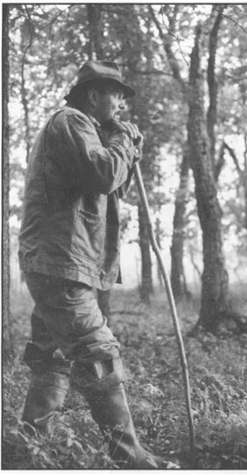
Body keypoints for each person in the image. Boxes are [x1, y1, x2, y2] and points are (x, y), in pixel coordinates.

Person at [18, 60, 172, 469]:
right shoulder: (71, 121)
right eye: (117, 94)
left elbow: (108, 181)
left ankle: (29, 447)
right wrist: (122, 142)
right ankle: (129, 454)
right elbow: (103, 174)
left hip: (61, 262)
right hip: (60, 264)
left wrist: (127, 149)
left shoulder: (82, 130)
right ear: (93, 95)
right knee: (96, 350)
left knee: (53, 357)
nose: (121, 103)